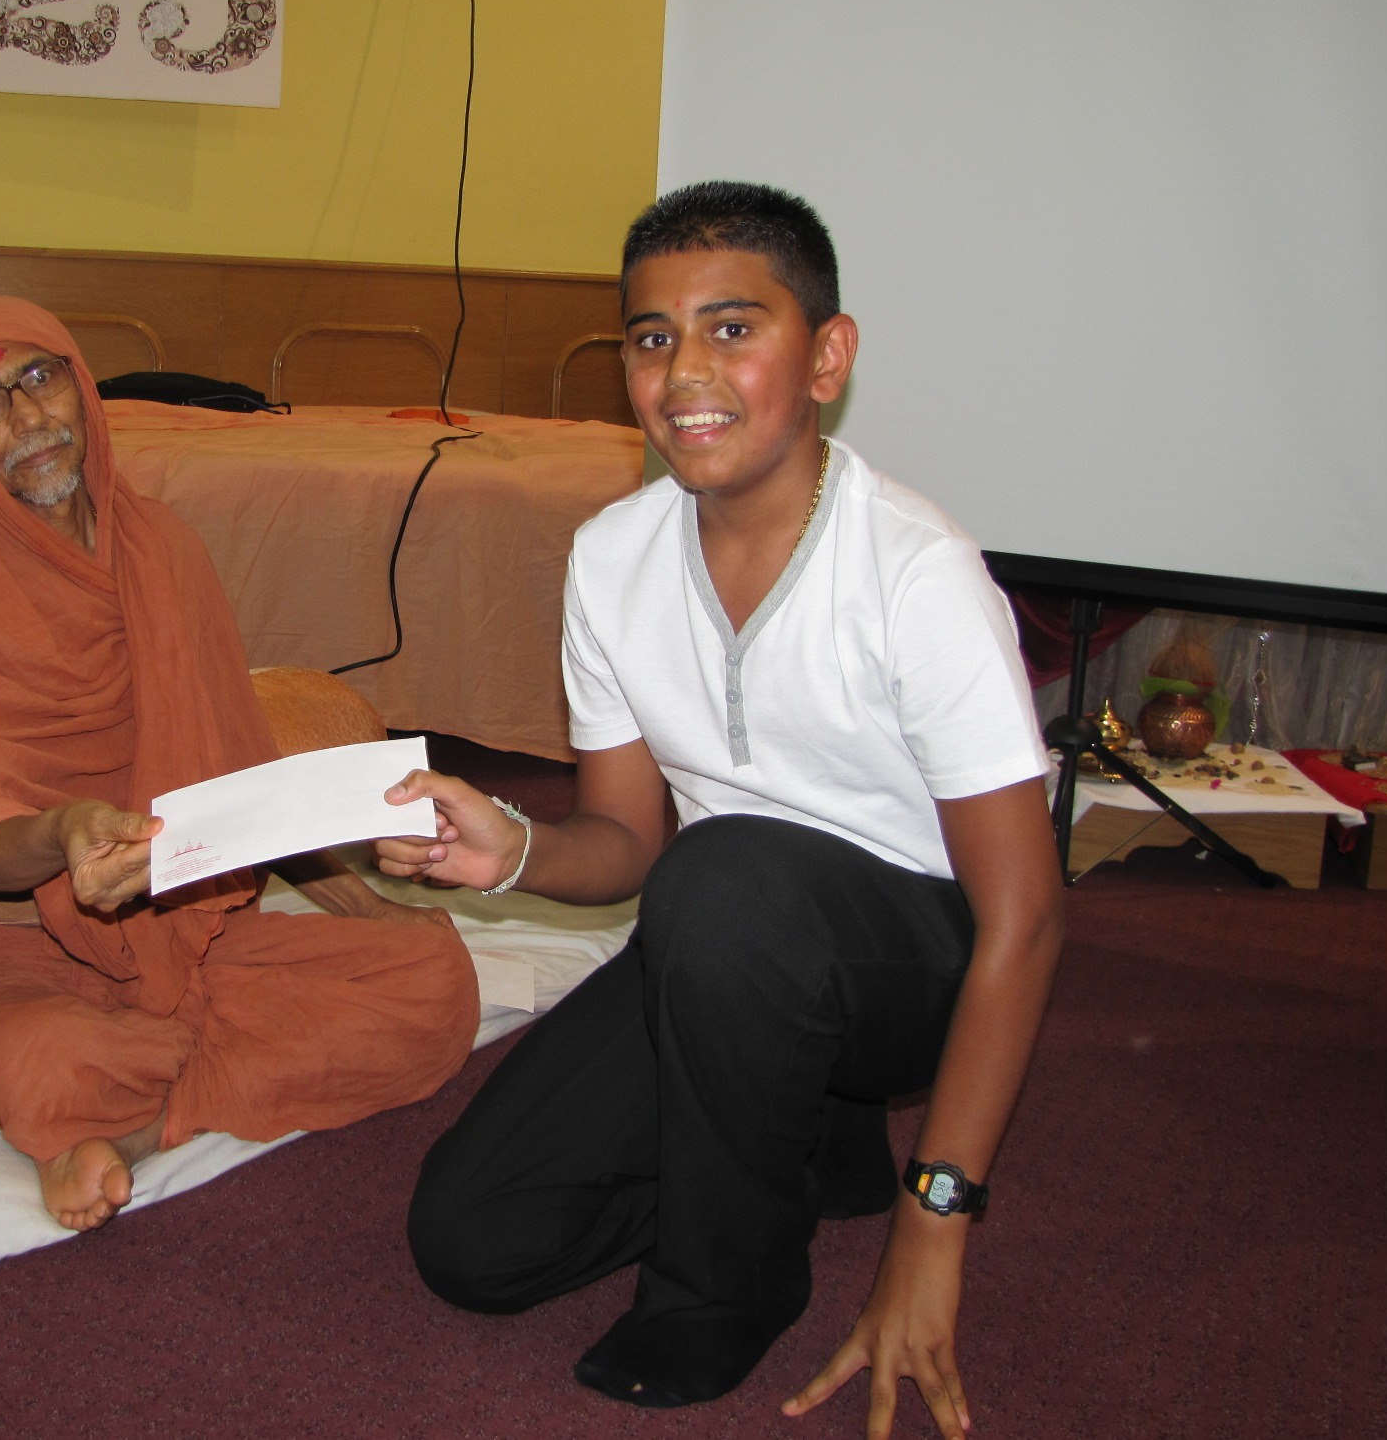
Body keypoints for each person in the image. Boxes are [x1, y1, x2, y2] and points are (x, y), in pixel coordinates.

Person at [379, 183, 1063, 1437]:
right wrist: (512, 846)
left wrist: (935, 1218)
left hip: (919, 967)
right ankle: (794, 1138)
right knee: (473, 1241)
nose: (683, 372)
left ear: (825, 358)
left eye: (732, 329)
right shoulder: (612, 556)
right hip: (730, 951)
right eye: (651, 338)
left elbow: (1023, 921)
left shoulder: (913, 572)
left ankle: (727, 1285)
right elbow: (626, 841)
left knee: (725, 879)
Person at [0, 295, 479, 1233]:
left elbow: (244, 780)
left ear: (81, 388)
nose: (29, 418)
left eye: (40, 378)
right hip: (22, 957)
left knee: (434, 980)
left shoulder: (161, 547)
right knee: (54, 1060)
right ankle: (125, 1091)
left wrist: (364, 909)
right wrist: (63, 835)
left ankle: (133, 1124)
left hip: (185, 925)